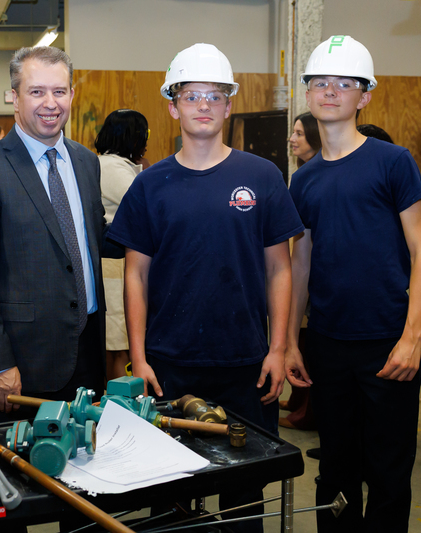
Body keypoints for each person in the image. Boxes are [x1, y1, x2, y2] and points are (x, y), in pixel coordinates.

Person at [108, 43, 304, 532]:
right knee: (167, 494)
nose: (202, 105)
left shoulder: (261, 176)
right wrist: (140, 356)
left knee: (243, 499)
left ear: (228, 105)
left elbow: (281, 270)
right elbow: (135, 273)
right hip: (170, 366)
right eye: (191, 95)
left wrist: (278, 348)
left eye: (214, 95)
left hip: (247, 366)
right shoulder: (150, 185)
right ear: (172, 106)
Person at [286, 36, 421, 532]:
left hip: (388, 343)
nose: (330, 91)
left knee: (389, 471)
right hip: (329, 344)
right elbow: (301, 265)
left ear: (364, 95)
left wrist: (412, 337)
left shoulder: (392, 163)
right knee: (336, 471)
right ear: (307, 94)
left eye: (344, 83)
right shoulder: (303, 181)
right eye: (320, 83)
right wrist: (290, 341)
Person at [0, 46, 113, 425]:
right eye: (36, 91)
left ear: (72, 95)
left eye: (59, 91)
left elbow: (93, 239)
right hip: (23, 369)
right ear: (14, 96)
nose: (50, 103)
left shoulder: (86, 162)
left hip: (89, 357)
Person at [94, 109, 150, 382]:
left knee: (118, 345)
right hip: (114, 268)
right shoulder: (114, 168)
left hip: (118, 265)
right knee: (119, 347)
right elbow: (148, 209)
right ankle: (121, 410)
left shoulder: (111, 165)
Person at [279, 111, 321, 432]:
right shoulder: (301, 176)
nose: (292, 139)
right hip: (303, 264)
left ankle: (308, 408)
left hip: (318, 273)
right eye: (293, 133)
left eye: (300, 134)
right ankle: (298, 400)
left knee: (308, 341)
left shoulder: (315, 176)